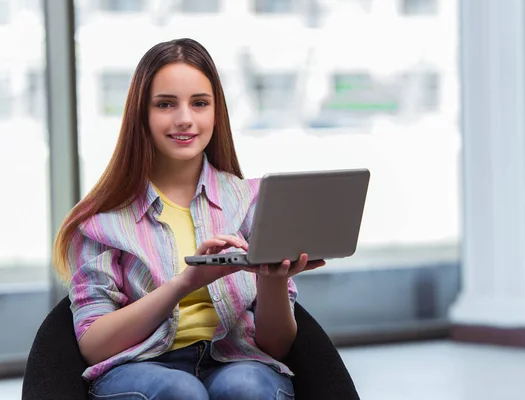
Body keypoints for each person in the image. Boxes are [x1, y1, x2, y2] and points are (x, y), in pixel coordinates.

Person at [52, 38, 326, 400]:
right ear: (142, 114)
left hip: (237, 359)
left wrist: (272, 281)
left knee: (246, 386)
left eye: (199, 103)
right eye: (166, 104)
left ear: (216, 112)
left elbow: (275, 347)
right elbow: (94, 345)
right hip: (141, 367)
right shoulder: (102, 220)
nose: (185, 119)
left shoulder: (252, 203)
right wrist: (185, 283)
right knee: (181, 391)